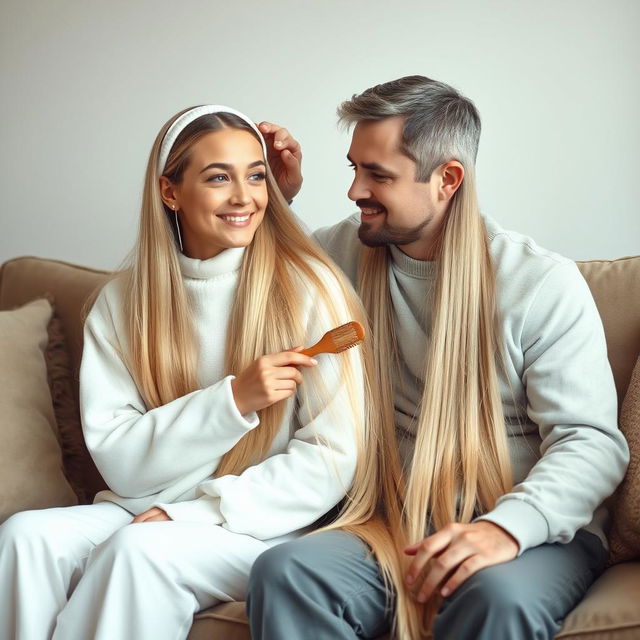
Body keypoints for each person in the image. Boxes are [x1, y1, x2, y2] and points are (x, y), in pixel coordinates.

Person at [247, 76, 630, 639]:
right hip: (391, 522)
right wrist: (277, 199)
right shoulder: (341, 254)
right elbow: (257, 284)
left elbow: (590, 441)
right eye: (354, 168)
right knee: (287, 572)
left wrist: (505, 530)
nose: (354, 191)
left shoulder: (540, 283)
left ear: (448, 179)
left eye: (378, 174)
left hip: (525, 530)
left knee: (497, 597)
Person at [0, 104, 376, 640]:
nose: (244, 196)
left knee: (139, 551)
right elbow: (122, 465)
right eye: (219, 177)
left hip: (260, 526)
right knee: (25, 538)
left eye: (256, 175)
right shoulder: (123, 302)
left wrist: (197, 515)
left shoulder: (310, 290)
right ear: (170, 191)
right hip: (145, 505)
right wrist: (233, 402)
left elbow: (333, 460)